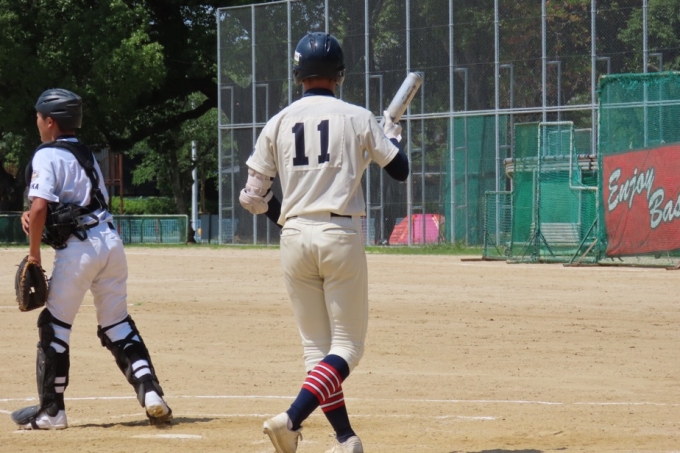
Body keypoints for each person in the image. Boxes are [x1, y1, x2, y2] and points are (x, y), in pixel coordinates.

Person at [239, 32, 409, 453]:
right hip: (340, 233)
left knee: (316, 350)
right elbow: (400, 170)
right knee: (348, 348)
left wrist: (288, 221)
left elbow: (252, 197)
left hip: (294, 235)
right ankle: (290, 419)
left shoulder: (278, 121)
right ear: (340, 74)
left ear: (298, 74)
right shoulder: (357, 116)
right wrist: (391, 137)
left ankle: (345, 438)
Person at [11, 88, 173, 430]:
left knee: (54, 326)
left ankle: (52, 411)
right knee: (117, 324)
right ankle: (151, 392)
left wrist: (34, 254)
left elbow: (40, 208)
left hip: (78, 250)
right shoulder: (85, 153)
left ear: (50, 122)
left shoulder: (46, 154)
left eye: (39, 117)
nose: (37, 123)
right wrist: (36, 217)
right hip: (110, 244)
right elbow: (75, 203)